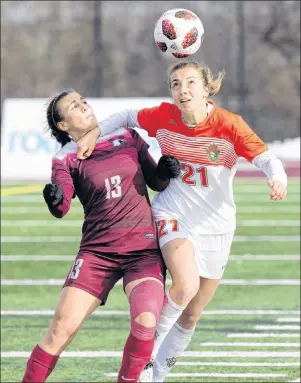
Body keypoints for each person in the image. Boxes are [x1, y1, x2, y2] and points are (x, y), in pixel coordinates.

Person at [75, 60, 288, 382]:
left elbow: (266, 157)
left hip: (217, 226)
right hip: (172, 214)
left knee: (191, 315)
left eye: (190, 82)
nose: (182, 89)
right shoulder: (163, 116)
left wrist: (277, 177)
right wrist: (94, 132)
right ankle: (144, 362)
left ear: (206, 89)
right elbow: (126, 116)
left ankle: (157, 374)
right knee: (184, 286)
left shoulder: (229, 124)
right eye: (175, 84)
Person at [21, 89, 182, 383]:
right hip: (97, 255)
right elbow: (62, 207)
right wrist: (53, 198)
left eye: (83, 101)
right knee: (60, 330)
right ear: (62, 125)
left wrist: (165, 170)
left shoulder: (128, 137)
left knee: (146, 322)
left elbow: (156, 181)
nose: (83, 105)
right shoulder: (64, 159)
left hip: (142, 252)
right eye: (74, 106)